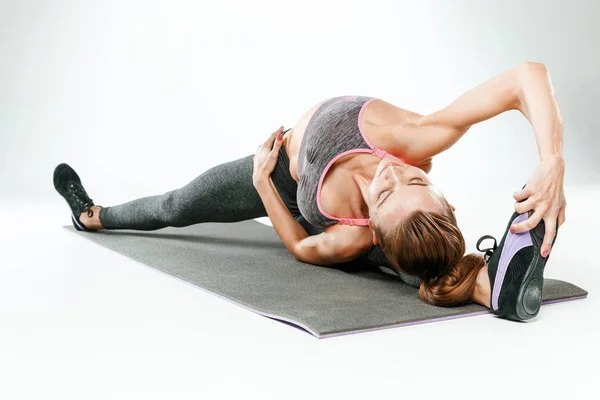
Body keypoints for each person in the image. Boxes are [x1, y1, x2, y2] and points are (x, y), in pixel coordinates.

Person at [54, 62, 566, 321]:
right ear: (443, 194)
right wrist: (552, 162)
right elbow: (526, 77)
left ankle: (90, 216)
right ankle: (490, 286)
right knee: (180, 204)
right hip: (299, 181)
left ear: (374, 230)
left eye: (385, 197)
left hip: (279, 180)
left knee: (179, 205)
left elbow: (299, 245)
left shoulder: (352, 237)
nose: (389, 175)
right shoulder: (411, 138)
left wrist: (261, 182)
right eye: (415, 179)